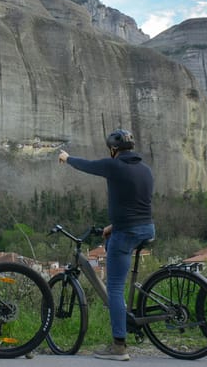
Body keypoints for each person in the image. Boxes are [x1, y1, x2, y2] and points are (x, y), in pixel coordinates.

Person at [58, 129, 155, 362]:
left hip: (128, 232)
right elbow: (136, 203)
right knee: (114, 246)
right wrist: (113, 225)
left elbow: (88, 166)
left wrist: (67, 158)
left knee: (114, 288)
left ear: (113, 150)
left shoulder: (115, 166)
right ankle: (128, 316)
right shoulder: (145, 169)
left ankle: (119, 346)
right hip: (146, 228)